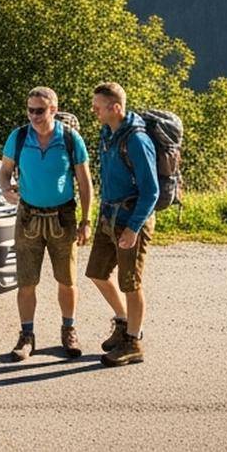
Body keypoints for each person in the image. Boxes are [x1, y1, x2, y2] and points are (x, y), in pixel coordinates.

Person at [0, 87, 92, 360]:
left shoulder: (71, 139)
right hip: (28, 216)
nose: (34, 116)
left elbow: (85, 183)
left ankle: (69, 330)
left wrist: (86, 221)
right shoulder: (19, 136)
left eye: (39, 110)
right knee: (26, 282)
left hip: (63, 216)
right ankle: (26, 336)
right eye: (30, 110)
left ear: (53, 110)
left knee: (67, 280)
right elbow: (4, 171)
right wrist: (5, 189)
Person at [86, 81, 158, 366]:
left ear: (115, 107)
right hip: (108, 217)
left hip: (129, 219)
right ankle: (124, 321)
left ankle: (133, 342)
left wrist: (133, 228)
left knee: (131, 283)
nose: (94, 111)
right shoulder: (108, 132)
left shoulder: (137, 141)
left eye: (98, 106)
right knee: (97, 272)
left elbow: (151, 191)